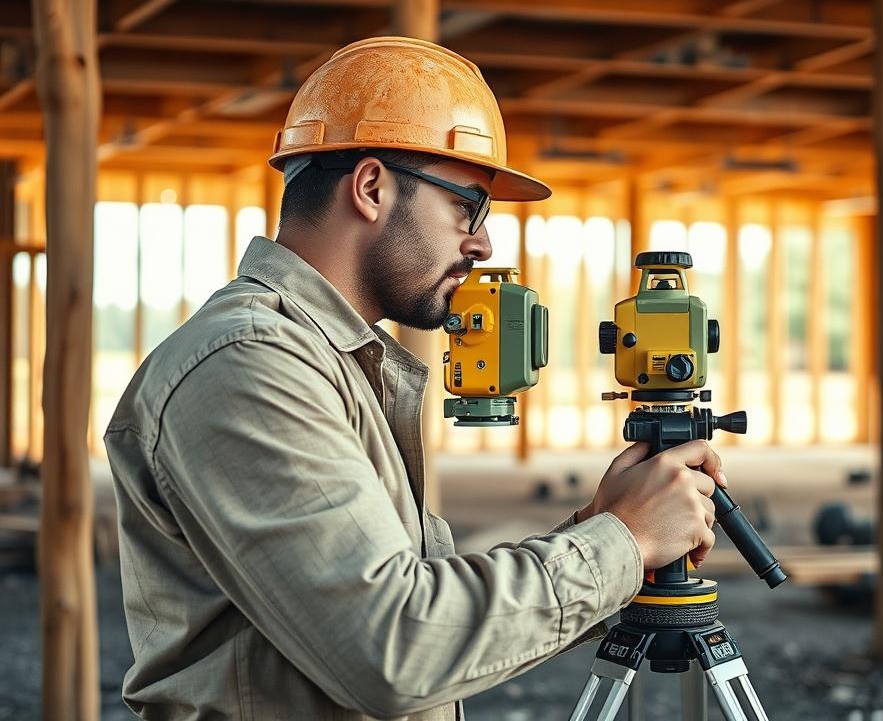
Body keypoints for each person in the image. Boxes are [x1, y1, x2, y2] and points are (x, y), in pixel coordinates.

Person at [105, 36, 727, 721]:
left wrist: (603, 528)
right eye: (469, 206)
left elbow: (421, 605)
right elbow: (394, 649)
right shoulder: (248, 366)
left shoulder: (333, 362)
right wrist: (621, 540)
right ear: (372, 187)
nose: (483, 243)